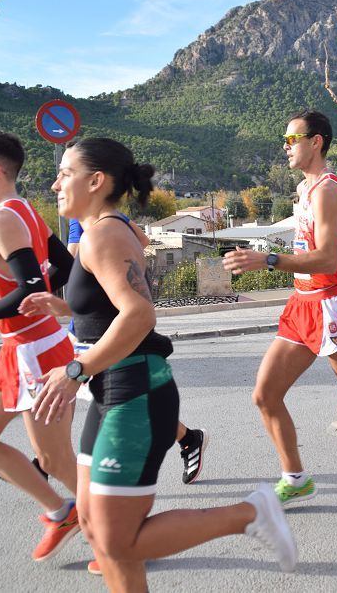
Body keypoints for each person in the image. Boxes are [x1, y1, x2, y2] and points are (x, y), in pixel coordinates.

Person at [24, 137, 296, 589]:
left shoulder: (104, 234)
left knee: (118, 541)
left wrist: (76, 370)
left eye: (65, 174)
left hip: (135, 394)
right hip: (113, 394)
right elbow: (112, 305)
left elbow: (138, 314)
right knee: (95, 529)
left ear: (96, 181)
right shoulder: (109, 230)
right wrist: (67, 309)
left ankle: (250, 513)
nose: (55, 184)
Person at [222, 109, 337, 512]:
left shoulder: (326, 191)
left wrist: (267, 260)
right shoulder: (306, 189)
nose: (285, 147)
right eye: (284, 141)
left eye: (291, 140)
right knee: (265, 395)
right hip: (301, 305)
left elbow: (324, 259)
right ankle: (296, 479)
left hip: (331, 306)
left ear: (315, 141)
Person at [0, 130, 81, 562]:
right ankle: (61, 511)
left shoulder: (6, 220)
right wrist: (48, 302)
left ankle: (118, 528)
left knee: (57, 459)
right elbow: (63, 267)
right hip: (19, 350)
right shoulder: (25, 211)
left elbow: (29, 287)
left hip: (38, 353)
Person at [67, 216, 209, 485]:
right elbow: (142, 241)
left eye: (66, 174)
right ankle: (189, 438)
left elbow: (71, 262)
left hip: (116, 343)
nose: (56, 185)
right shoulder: (101, 220)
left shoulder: (97, 224)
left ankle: (47, 460)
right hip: (92, 334)